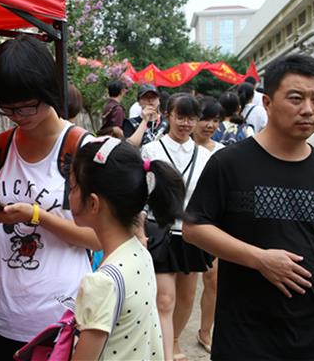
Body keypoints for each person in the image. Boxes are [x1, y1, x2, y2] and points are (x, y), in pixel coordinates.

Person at [184, 54, 314, 361]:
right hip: (247, 336)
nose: (308, 109)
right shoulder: (229, 163)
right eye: (295, 98)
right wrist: (259, 259)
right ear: (267, 103)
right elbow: (194, 227)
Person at [0, 35, 100, 361]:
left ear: (48, 90)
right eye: (6, 107)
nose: (17, 115)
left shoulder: (83, 150)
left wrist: (35, 215)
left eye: (27, 105)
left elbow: (100, 238)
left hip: (58, 321)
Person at [69, 138, 186, 361]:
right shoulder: (140, 253)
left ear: (93, 203)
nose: (69, 194)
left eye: (73, 186)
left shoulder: (101, 283)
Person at [141, 94, 212, 361]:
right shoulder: (152, 150)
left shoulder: (204, 156)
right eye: (180, 117)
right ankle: (163, 349)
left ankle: (172, 340)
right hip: (159, 230)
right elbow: (143, 194)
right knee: (164, 299)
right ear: (168, 115)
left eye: (191, 118)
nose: (185, 123)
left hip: (191, 233)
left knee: (187, 296)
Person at [190, 96, 224, 354]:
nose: (210, 125)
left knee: (212, 280)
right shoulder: (177, 147)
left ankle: (205, 330)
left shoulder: (222, 153)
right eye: (205, 119)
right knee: (183, 286)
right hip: (183, 225)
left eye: (215, 120)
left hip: (214, 225)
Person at [123, 84, 168, 148]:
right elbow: (131, 145)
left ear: (159, 100)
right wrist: (145, 120)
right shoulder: (130, 123)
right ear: (139, 102)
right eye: (145, 97)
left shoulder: (166, 121)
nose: (150, 100)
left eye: (154, 97)